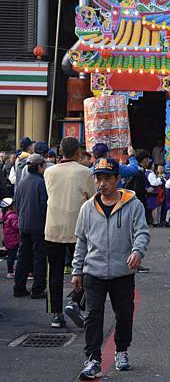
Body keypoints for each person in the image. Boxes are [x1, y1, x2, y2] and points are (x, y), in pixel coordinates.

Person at [72, 157, 150, 379]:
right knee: (93, 316)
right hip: (93, 272)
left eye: (107, 178)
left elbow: (142, 233)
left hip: (122, 272)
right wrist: (77, 270)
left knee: (124, 315)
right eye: (98, 178)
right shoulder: (87, 208)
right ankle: (93, 359)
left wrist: (137, 251)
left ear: (118, 179)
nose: (102, 183)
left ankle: (122, 350)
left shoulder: (133, 205)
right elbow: (82, 242)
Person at [44, 137, 96, 328]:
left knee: (54, 273)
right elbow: (94, 199)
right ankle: (75, 301)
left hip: (53, 227)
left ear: (60, 152)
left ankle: (56, 315)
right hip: (78, 230)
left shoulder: (48, 172)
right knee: (84, 269)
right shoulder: (85, 172)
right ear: (78, 153)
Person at [13, 154, 48, 300]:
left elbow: (17, 203)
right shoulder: (41, 183)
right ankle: (37, 289)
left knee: (23, 257)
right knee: (39, 258)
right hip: (38, 226)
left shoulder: (21, 182)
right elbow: (44, 206)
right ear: (39, 166)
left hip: (24, 224)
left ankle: (19, 287)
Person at [1, 197, 20, 278]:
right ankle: (10, 272)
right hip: (14, 239)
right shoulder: (12, 216)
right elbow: (16, 226)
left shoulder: (4, 215)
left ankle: (10, 270)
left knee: (10, 255)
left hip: (7, 239)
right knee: (13, 256)